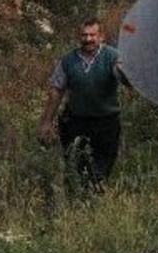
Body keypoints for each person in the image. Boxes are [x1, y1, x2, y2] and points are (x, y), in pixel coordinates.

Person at [36, 18, 128, 191]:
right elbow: (56, 90)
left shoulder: (112, 56)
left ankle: (95, 193)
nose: (88, 39)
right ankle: (84, 195)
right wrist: (46, 122)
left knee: (103, 165)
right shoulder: (68, 60)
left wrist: (124, 73)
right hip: (76, 121)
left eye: (92, 35)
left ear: (101, 37)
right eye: (84, 35)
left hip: (106, 121)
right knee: (77, 163)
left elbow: (122, 76)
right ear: (79, 37)